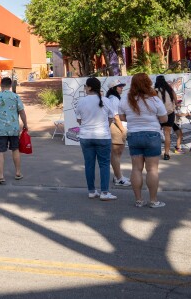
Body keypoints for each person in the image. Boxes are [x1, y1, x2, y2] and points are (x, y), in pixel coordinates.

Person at [119, 73, 167, 208]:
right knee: (152, 170)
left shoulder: (125, 99)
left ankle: (139, 200)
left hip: (134, 135)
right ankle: (153, 200)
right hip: (152, 135)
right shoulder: (155, 100)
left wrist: (134, 119)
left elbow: (122, 117)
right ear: (148, 84)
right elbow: (164, 119)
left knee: (136, 169)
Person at [75, 78, 116, 200]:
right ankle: (104, 192)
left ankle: (92, 191)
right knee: (104, 164)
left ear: (90, 87)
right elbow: (111, 118)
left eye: (85, 86)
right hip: (102, 136)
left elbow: (79, 120)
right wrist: (104, 127)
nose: (84, 88)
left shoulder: (81, 102)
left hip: (86, 136)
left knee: (89, 164)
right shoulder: (106, 100)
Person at [0, 77, 28, 185]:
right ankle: (18, 172)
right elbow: (22, 112)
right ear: (10, 86)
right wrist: (25, 124)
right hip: (14, 128)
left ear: (1, 85)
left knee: (0, 151)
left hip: (0, 129)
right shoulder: (15, 97)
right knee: (15, 149)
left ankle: (1, 176)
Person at [155, 75, 183, 160]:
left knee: (155, 133)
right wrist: (177, 105)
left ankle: (155, 152)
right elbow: (176, 102)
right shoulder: (170, 89)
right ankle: (166, 154)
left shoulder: (155, 91)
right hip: (170, 114)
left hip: (159, 115)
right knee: (167, 134)